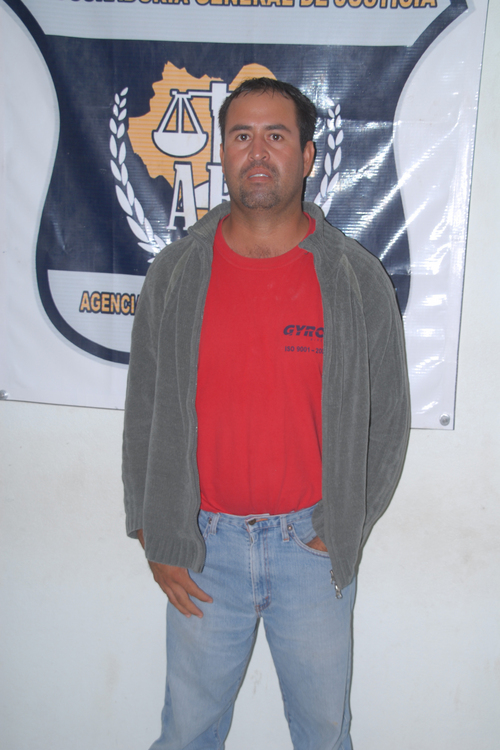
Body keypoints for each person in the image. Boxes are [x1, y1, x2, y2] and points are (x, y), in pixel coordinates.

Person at [123, 77, 410, 750]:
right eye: (242, 136)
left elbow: (389, 422)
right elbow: (144, 409)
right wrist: (154, 529)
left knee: (323, 735)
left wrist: (344, 525)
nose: (258, 151)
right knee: (187, 733)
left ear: (307, 156)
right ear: (222, 153)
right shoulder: (176, 273)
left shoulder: (353, 278)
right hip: (202, 547)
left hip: (311, 549)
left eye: (276, 135)